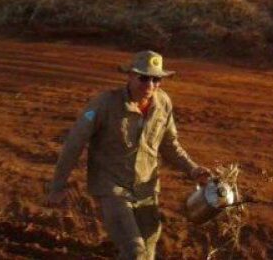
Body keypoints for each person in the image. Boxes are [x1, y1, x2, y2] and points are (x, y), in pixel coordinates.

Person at [47, 50, 209, 260]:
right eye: (143, 78)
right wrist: (57, 186)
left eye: (156, 79)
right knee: (135, 252)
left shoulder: (163, 103)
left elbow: (169, 145)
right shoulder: (105, 104)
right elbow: (74, 144)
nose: (150, 85)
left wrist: (193, 169)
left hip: (146, 189)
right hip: (112, 187)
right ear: (130, 76)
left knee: (148, 251)